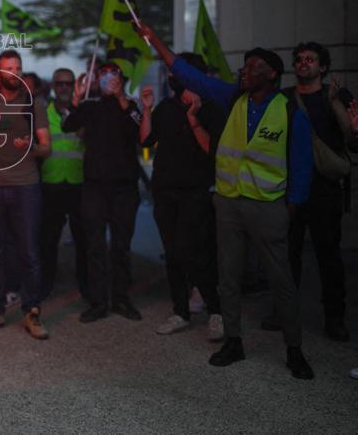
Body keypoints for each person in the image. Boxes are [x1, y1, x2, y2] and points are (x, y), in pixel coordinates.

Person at [138, 23, 316, 380]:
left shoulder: (291, 112)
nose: (245, 71)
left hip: (268, 208)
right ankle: (233, 342)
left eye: (253, 67)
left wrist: (290, 209)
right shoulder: (231, 97)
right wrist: (153, 38)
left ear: (273, 75)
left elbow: (301, 167)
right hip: (229, 204)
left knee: (281, 280)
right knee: (229, 277)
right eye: (245, 66)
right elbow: (184, 71)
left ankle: (294, 350)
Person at [267, 42, 356, 342]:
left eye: (311, 59)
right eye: (300, 59)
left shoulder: (338, 95)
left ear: (324, 67)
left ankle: (334, 318)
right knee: (286, 254)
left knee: (328, 256)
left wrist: (336, 105)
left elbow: (354, 140)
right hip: (290, 187)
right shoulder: (283, 98)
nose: (304, 63)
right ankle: (283, 312)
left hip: (324, 189)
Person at [138, 54, 224, 341]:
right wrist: (147, 110)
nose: (173, 78)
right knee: (173, 253)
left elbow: (211, 150)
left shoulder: (211, 109)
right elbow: (146, 140)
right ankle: (180, 311)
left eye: (178, 73)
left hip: (195, 191)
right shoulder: (166, 107)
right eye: (171, 73)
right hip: (165, 191)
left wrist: (194, 117)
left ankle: (216, 311)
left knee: (194, 252)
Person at [0, 51, 51, 338]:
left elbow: (46, 148)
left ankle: (33, 312)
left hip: (25, 185)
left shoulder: (33, 103)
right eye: (8, 68)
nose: (14, 72)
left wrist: (30, 146)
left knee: (29, 252)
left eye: (18, 68)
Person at [61, 61, 143, 324]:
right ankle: (98, 301)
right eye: (103, 74)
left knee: (121, 245)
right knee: (95, 245)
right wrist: (75, 98)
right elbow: (67, 125)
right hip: (94, 187)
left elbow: (139, 132)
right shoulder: (90, 106)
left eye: (113, 74)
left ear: (121, 78)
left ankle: (120, 298)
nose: (108, 78)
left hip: (124, 189)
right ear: (96, 80)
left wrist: (121, 97)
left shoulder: (130, 106)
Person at [38, 68, 89, 302]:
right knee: (48, 240)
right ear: (53, 86)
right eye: (60, 83)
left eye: (68, 83)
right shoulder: (42, 115)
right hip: (52, 184)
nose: (64, 87)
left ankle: (86, 286)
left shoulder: (83, 113)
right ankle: (46, 284)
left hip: (78, 184)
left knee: (83, 240)